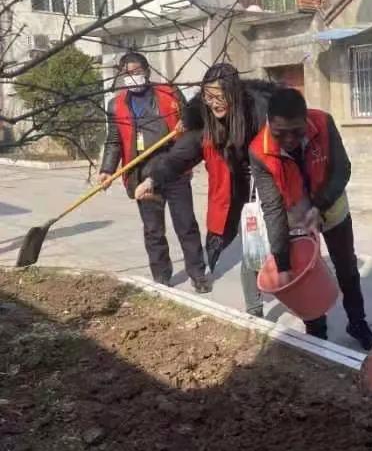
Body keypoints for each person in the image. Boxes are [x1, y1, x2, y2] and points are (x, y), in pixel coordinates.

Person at [134, 63, 275, 315]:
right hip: (238, 191)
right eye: (208, 97)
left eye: (220, 97)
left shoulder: (262, 114)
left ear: (234, 94)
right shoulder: (206, 123)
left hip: (271, 184)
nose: (214, 103)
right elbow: (179, 156)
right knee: (250, 248)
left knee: (283, 247)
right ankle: (255, 311)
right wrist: (152, 179)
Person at [248, 87, 372, 350]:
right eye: (279, 133)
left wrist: (320, 206)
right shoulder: (258, 151)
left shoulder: (323, 122)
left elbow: (342, 169)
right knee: (305, 275)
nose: (288, 140)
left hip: (331, 206)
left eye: (296, 131)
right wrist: (282, 264)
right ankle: (316, 331)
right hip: (296, 216)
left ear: (306, 119)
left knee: (347, 268)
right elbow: (272, 208)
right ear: (269, 123)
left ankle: (358, 322)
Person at [99, 52, 209, 293]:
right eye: (127, 73)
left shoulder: (169, 94)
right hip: (141, 174)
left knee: (186, 224)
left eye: (136, 71)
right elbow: (114, 140)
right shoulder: (115, 104)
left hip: (174, 169)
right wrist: (107, 169)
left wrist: (187, 124)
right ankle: (162, 277)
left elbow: (191, 126)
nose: (132, 77)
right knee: (153, 230)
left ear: (147, 71)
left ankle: (197, 273)